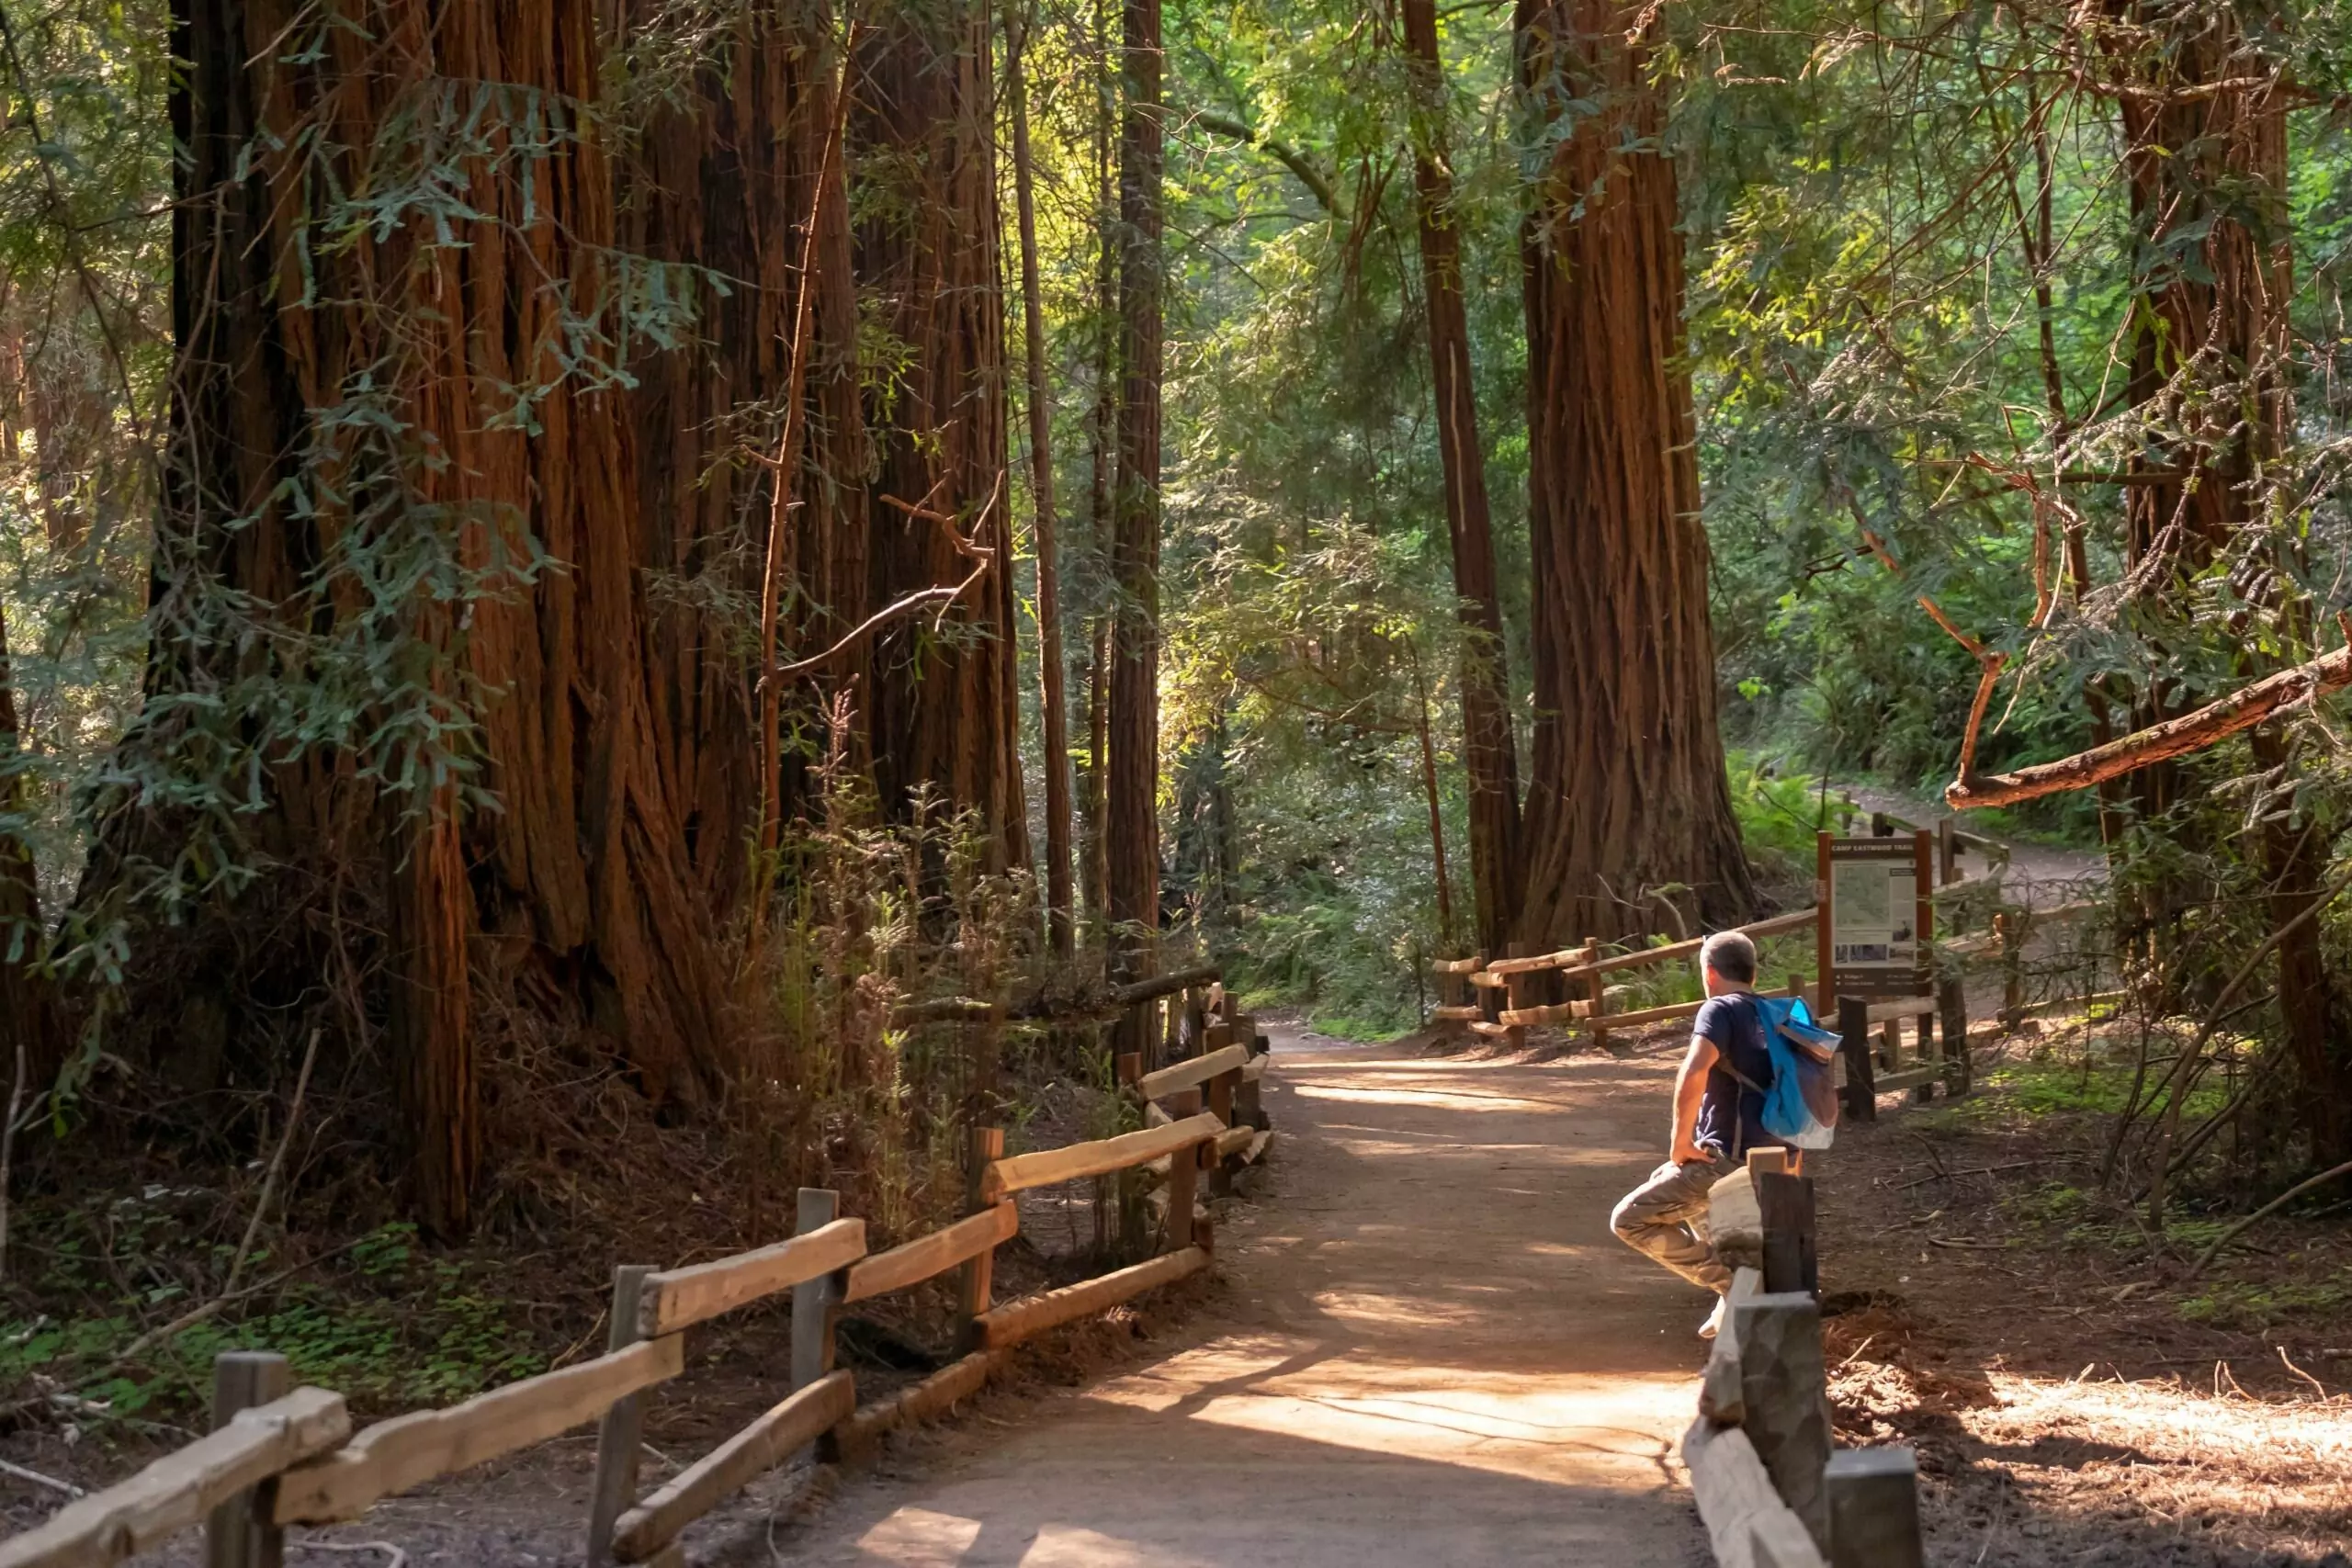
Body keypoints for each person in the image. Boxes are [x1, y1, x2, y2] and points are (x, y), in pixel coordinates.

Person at [1607, 928, 1788, 1339]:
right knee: (1666, 1181)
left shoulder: (1720, 1010)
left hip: (1732, 1160)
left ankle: (1735, 1286)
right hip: (1780, 1152)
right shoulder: (1776, 1013)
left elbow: (1693, 1073)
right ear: (1754, 973)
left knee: (1629, 1220)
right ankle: (1733, 1291)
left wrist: (1680, 1142)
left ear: (1709, 974)